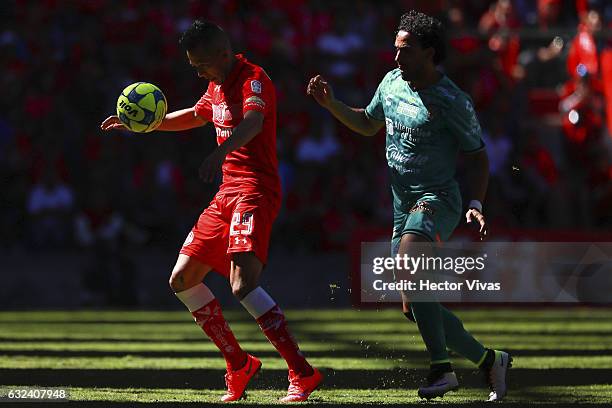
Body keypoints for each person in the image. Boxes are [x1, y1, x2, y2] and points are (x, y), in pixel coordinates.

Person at [101, 20, 322, 403]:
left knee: (242, 284)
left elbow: (254, 122)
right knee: (182, 279)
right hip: (226, 194)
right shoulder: (216, 84)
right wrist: (144, 126)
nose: (198, 71)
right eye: (193, 66)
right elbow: (193, 115)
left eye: (202, 64)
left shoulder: (253, 79)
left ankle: (302, 372)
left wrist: (220, 152)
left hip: (254, 190)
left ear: (223, 53)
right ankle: (239, 364)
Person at [307, 10, 511, 402]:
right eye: (395, 49)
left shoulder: (453, 101)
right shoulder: (390, 83)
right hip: (402, 203)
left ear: (429, 53)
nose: (396, 57)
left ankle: (441, 369)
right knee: (413, 304)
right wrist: (331, 104)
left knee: (407, 261)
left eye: (406, 50)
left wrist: (475, 202)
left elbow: (479, 157)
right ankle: (489, 361)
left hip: (439, 199)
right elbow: (368, 124)